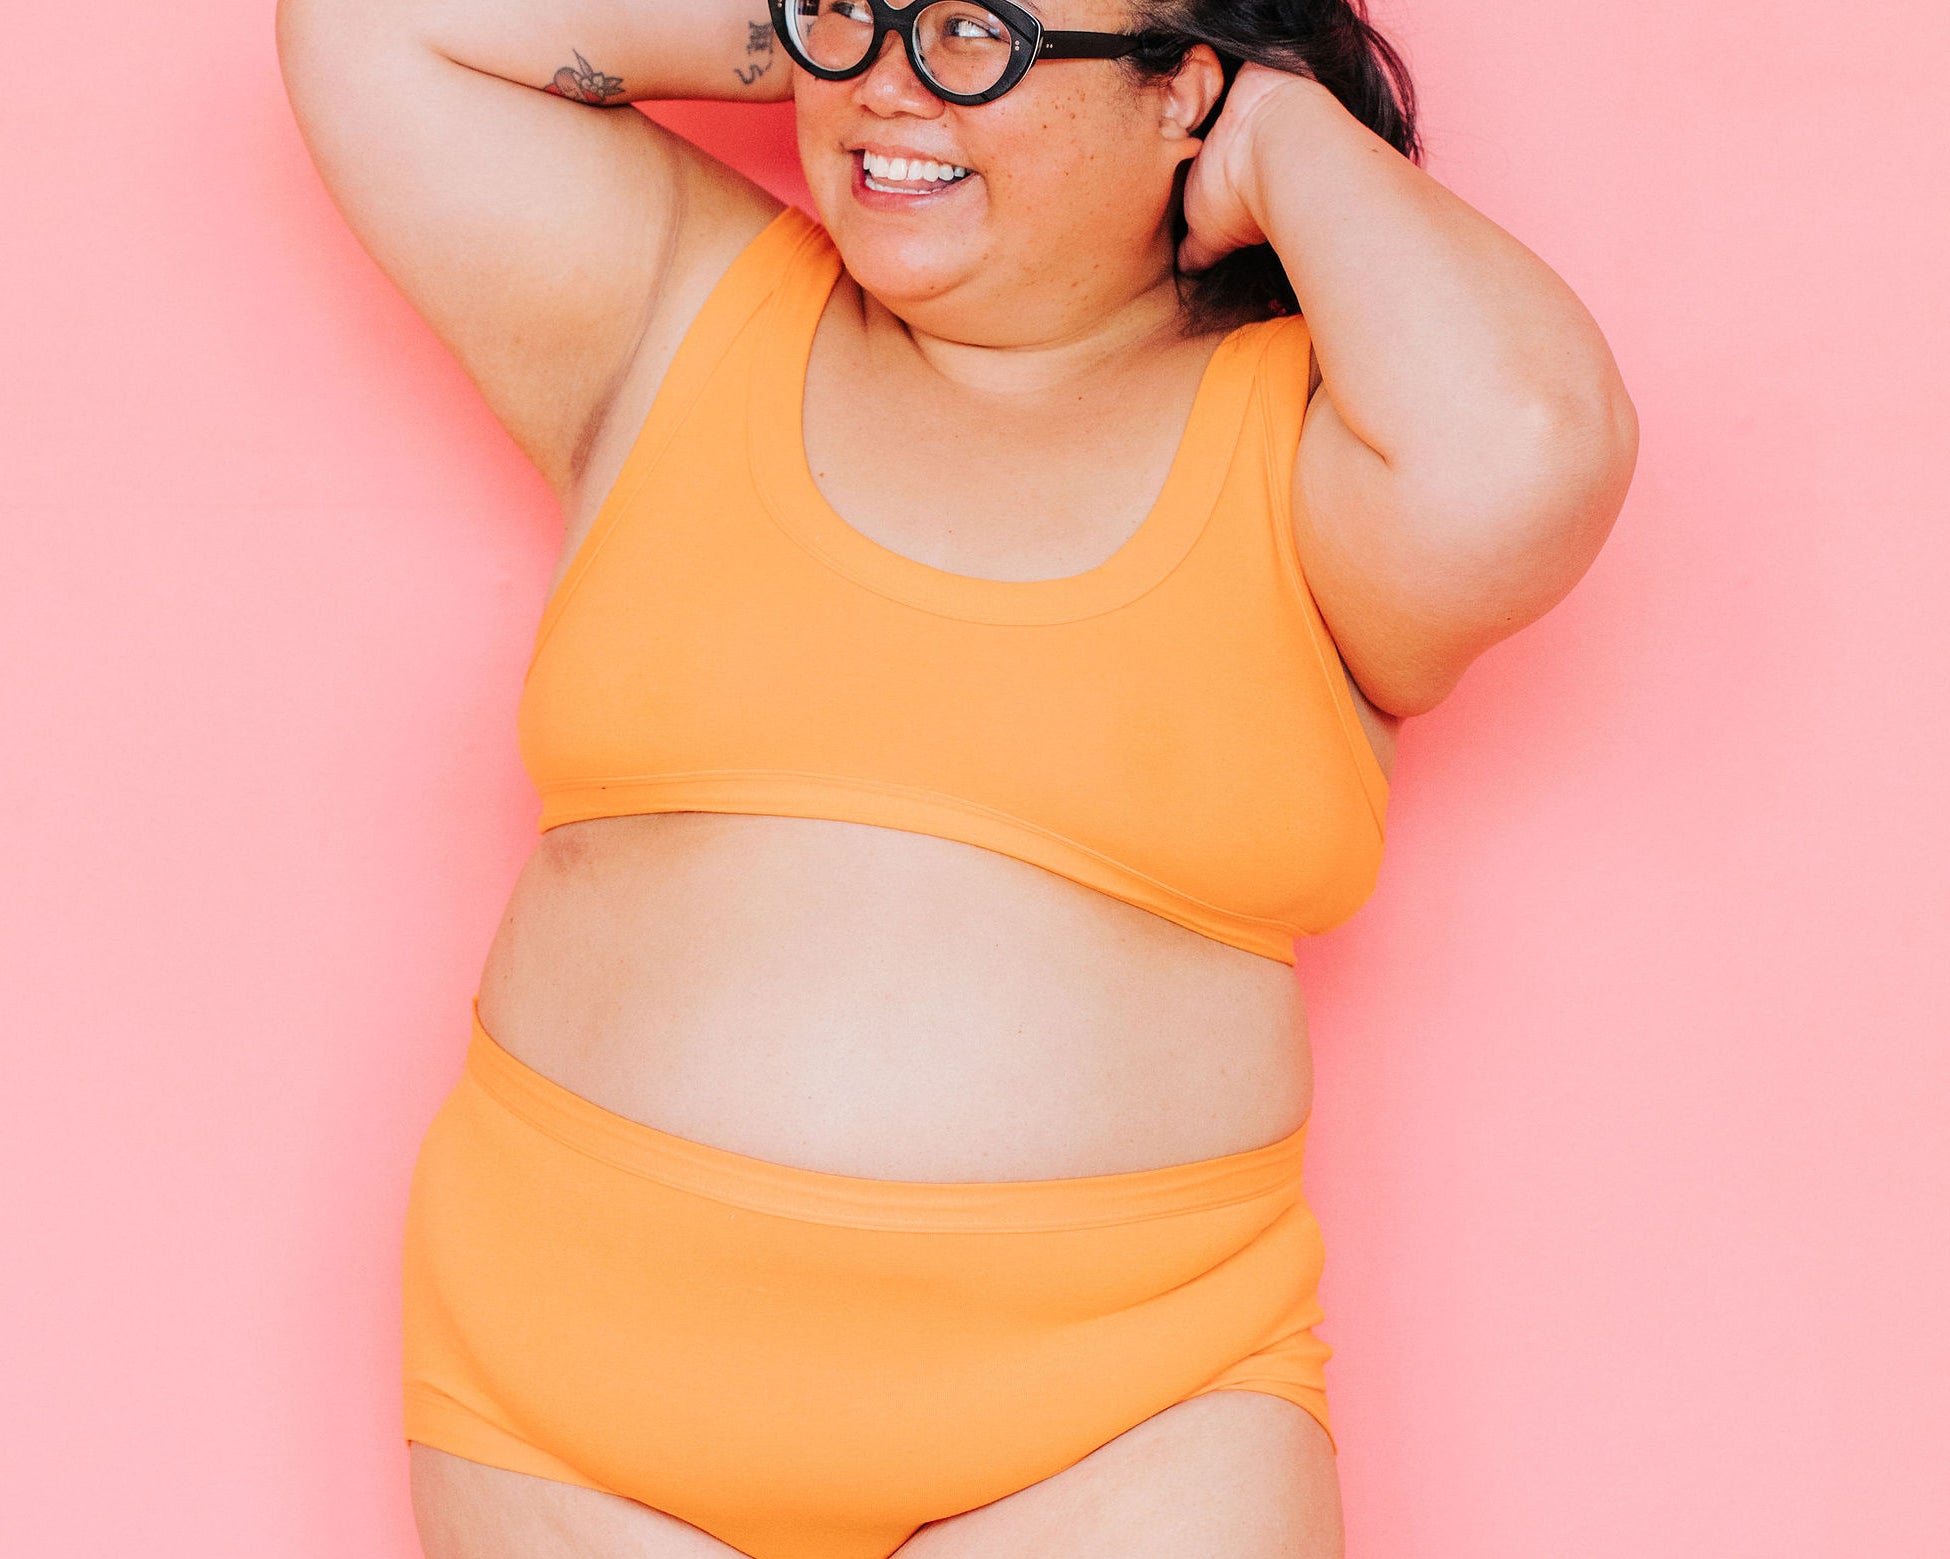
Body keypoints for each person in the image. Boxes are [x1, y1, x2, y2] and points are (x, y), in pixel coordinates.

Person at [278, 0, 1637, 1553]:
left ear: (1181, 86)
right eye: (855, 12)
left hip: (1120, 1419)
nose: (879, 85)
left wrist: (1277, 132)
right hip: (563, 1406)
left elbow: (1531, 440)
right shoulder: (667, 311)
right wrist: (877, 48)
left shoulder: (1319, 464)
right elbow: (378, 25)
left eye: (978, 32)